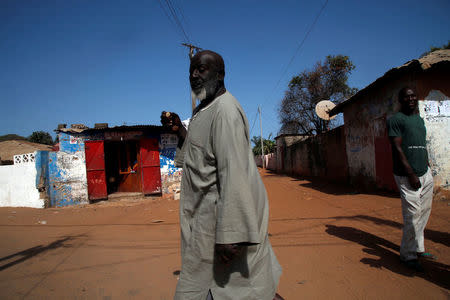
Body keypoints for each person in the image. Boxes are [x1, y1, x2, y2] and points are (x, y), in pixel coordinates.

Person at [161, 50, 283, 299]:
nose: (194, 75)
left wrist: (232, 232)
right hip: (203, 222)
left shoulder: (225, 111)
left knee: (229, 290)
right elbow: (200, 158)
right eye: (191, 71)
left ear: (220, 74)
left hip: (219, 224)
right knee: (242, 289)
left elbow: (234, 170)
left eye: (201, 69)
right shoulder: (202, 111)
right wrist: (181, 133)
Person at [387, 86, 435, 272]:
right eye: (407, 97)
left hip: (425, 172)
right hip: (407, 176)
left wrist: (427, 168)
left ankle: (418, 248)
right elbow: (397, 148)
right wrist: (411, 173)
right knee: (413, 215)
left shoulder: (419, 120)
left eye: (413, 96)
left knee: (424, 212)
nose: (411, 99)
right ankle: (407, 255)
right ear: (401, 100)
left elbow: (422, 145)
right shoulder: (396, 120)